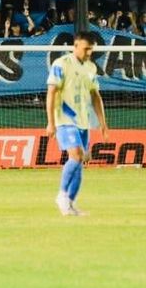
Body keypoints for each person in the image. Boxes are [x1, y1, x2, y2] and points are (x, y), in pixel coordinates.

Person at [45, 31, 109, 216]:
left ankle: (70, 204)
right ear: (76, 45)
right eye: (86, 48)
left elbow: (95, 95)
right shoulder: (61, 64)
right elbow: (51, 92)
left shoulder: (91, 68)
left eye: (91, 49)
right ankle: (62, 194)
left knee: (80, 161)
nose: (89, 52)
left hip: (83, 121)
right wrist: (50, 122)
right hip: (65, 119)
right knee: (76, 155)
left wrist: (103, 123)